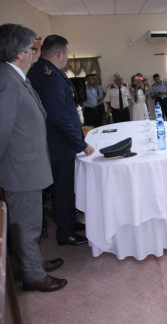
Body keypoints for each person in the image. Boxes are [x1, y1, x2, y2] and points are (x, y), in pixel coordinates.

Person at [0, 23, 68, 292]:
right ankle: (33, 276)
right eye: (32, 48)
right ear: (19, 53)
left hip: (28, 166)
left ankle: (33, 262)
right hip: (20, 170)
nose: (34, 53)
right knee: (26, 227)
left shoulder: (17, 76)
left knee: (31, 223)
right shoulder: (7, 81)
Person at [27, 34, 93, 247]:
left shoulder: (43, 71)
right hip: (58, 145)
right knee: (63, 190)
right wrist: (81, 144)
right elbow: (59, 116)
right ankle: (66, 234)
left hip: (56, 142)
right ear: (60, 54)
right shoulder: (51, 77)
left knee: (64, 189)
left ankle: (70, 223)